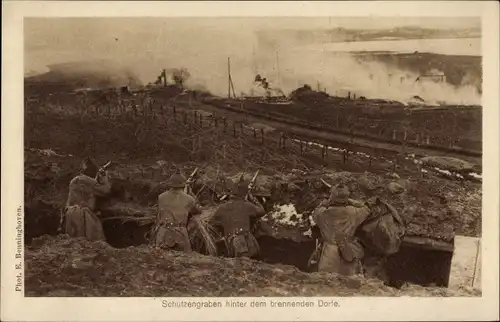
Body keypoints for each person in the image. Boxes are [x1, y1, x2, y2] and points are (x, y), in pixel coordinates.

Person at [311, 184, 370, 276]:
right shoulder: (353, 212)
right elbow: (366, 209)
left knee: (326, 282)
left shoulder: (323, 213)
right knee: (349, 285)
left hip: (329, 255)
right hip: (348, 253)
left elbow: (315, 211)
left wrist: (326, 202)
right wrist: (350, 201)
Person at [210, 178, 266, 259]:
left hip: (232, 242)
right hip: (247, 243)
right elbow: (262, 211)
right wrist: (253, 199)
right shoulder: (246, 205)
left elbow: (213, 225)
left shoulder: (221, 208)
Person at [63, 158, 111, 241]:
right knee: (90, 243)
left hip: (69, 214)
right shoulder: (87, 180)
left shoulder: (74, 180)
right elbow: (106, 191)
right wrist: (104, 177)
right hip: (82, 215)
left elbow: (86, 190)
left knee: (74, 244)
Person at [154, 171, 201, 252]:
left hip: (163, 234)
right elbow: (197, 211)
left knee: (160, 260)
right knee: (184, 259)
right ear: (184, 185)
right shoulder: (189, 199)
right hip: (180, 234)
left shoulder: (161, 197)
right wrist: (190, 193)